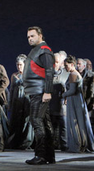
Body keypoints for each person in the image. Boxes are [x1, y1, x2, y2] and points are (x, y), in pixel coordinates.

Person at [23, 26, 55, 165]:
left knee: (37, 121)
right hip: (36, 92)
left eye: (32, 36)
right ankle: (49, 156)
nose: (30, 39)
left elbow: (49, 71)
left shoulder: (44, 50)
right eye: (28, 37)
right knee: (45, 123)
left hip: (40, 92)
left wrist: (47, 91)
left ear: (40, 35)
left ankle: (40, 155)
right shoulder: (36, 50)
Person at [62, 55, 94, 153]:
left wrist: (62, 95)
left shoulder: (73, 74)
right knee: (80, 122)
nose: (65, 67)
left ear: (72, 64)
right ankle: (81, 144)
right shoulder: (76, 73)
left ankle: (78, 144)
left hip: (75, 100)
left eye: (66, 65)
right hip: (77, 100)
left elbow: (72, 90)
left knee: (76, 122)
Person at [7, 54, 33, 149]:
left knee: (26, 123)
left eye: (20, 65)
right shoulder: (14, 76)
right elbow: (12, 90)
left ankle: (25, 143)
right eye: (17, 65)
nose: (18, 67)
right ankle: (14, 142)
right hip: (16, 101)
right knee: (15, 122)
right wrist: (10, 103)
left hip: (26, 101)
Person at [49, 52, 67, 151]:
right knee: (51, 126)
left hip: (62, 106)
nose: (54, 64)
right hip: (51, 105)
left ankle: (64, 145)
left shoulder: (66, 73)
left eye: (56, 62)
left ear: (60, 63)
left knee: (63, 126)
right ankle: (52, 145)